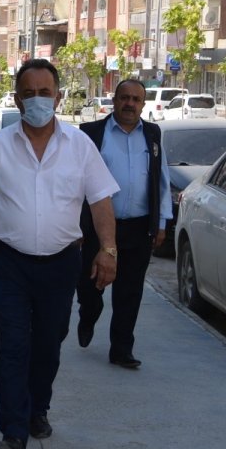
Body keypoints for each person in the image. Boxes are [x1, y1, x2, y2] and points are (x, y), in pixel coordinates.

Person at [0, 59, 119, 449]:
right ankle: (13, 430)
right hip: (8, 264)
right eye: (28, 93)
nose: (36, 100)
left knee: (49, 344)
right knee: (12, 344)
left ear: (58, 97)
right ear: (17, 98)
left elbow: (100, 201)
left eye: (44, 92)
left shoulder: (80, 146)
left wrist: (108, 249)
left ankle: (37, 408)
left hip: (61, 264)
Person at [76, 79, 171, 369]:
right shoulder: (92, 133)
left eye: (136, 99)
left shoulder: (152, 135)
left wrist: (162, 222)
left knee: (130, 291)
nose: (130, 104)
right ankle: (89, 313)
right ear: (114, 100)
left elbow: (162, 181)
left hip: (138, 227)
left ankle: (121, 349)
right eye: (125, 98)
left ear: (143, 104)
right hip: (97, 226)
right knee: (90, 285)